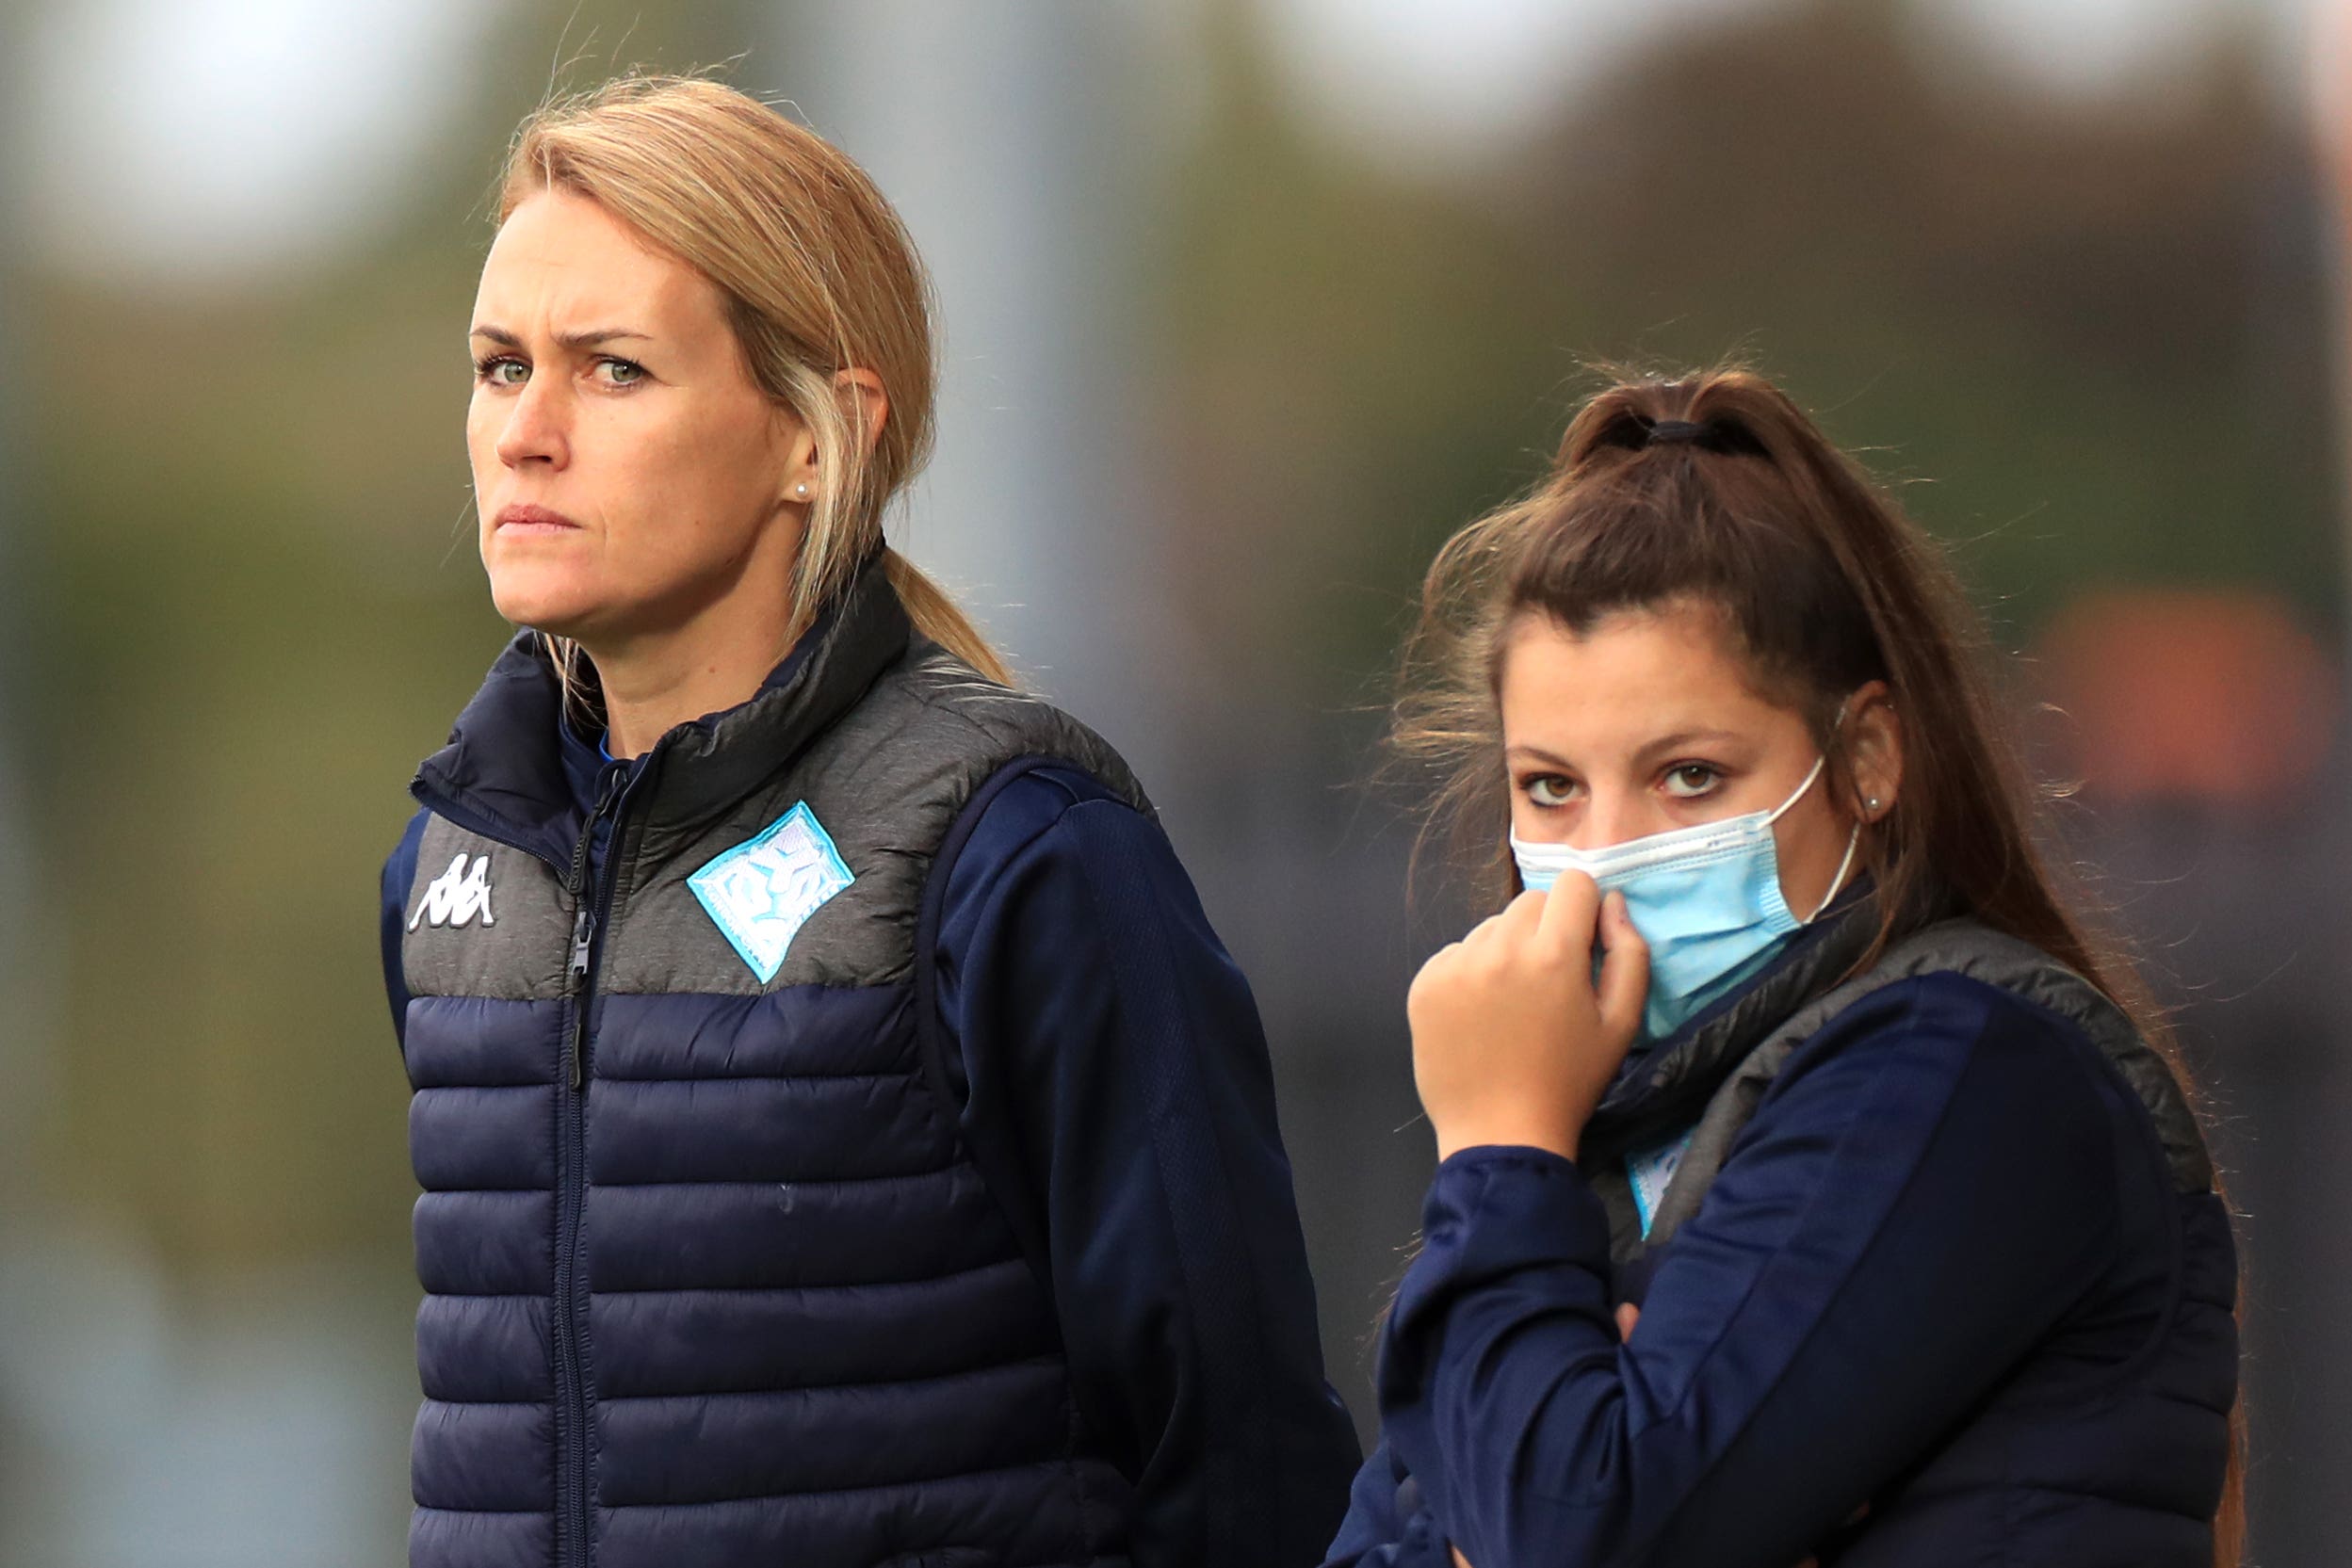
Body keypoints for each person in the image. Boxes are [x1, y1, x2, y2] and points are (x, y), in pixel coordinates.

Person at [377, 75, 1359, 1568]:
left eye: (614, 370)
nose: (528, 432)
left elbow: (1237, 1460)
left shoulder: (1021, 848)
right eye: (500, 366)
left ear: (816, 438)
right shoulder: (457, 864)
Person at [1325, 370, 2241, 1567]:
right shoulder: (1602, 1133)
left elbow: (1576, 1532)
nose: (1601, 858)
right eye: (1550, 787)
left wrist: (1493, 1145)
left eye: (1690, 775)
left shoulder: (1958, 1064)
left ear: (1866, 756)